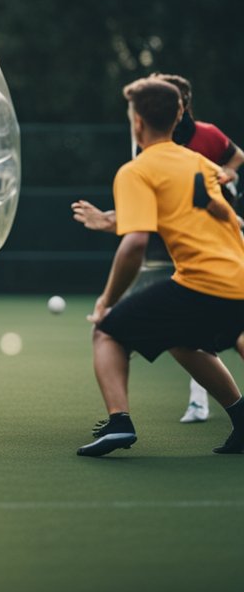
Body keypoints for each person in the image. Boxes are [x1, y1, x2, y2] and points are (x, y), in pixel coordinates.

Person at [78, 76, 244, 457]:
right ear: (180, 115)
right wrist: (109, 220)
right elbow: (213, 217)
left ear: (136, 122)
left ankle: (119, 422)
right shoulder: (202, 163)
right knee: (182, 341)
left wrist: (106, 301)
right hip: (238, 278)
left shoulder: (136, 170)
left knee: (107, 333)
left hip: (204, 284)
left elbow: (135, 244)